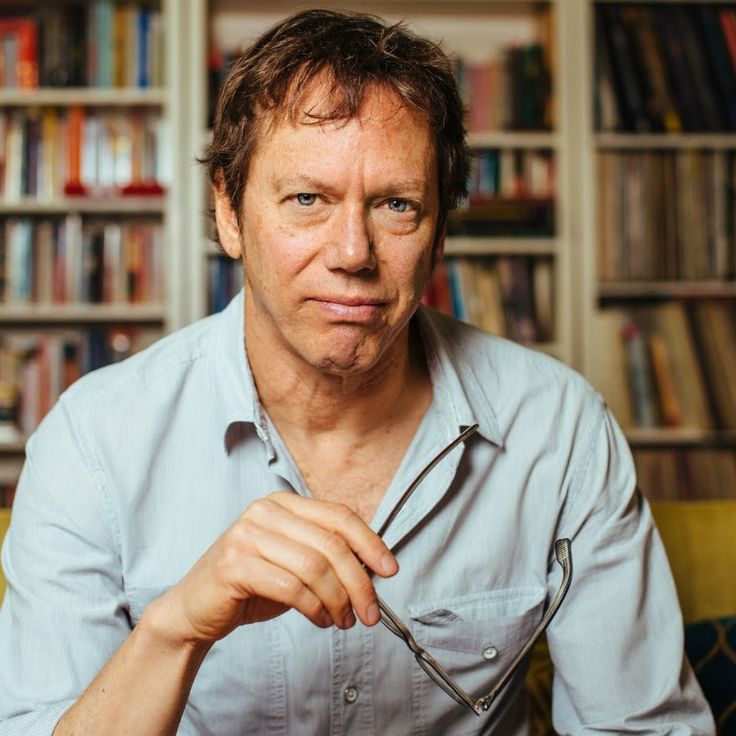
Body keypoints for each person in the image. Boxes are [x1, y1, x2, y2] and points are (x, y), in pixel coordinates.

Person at [0, 9, 715, 736]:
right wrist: (176, 628)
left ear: (439, 229)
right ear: (228, 211)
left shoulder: (560, 430)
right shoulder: (91, 444)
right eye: (307, 199)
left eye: (396, 205)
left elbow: (643, 728)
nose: (352, 252)